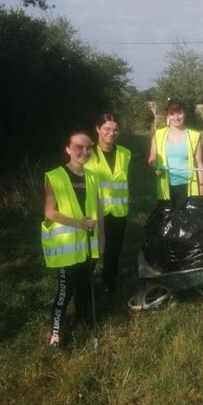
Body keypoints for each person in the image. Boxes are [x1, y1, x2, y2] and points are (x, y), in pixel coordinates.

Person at [42, 132, 104, 349]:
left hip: (88, 246)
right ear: (67, 149)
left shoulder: (93, 177)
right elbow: (50, 212)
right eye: (79, 147)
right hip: (67, 248)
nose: (84, 152)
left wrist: (102, 239)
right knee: (65, 292)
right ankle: (56, 335)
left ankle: (84, 322)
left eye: (88, 148)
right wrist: (78, 224)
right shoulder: (55, 176)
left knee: (86, 288)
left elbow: (98, 211)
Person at [85, 112, 131, 293]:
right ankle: (86, 285)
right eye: (107, 129)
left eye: (115, 130)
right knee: (93, 252)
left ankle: (109, 284)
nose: (111, 133)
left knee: (114, 251)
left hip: (119, 210)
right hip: (96, 211)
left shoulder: (125, 154)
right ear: (98, 129)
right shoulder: (87, 154)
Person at [148, 99, 203, 207]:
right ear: (168, 116)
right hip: (165, 187)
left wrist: (201, 188)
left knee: (186, 221)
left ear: (185, 113)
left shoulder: (194, 136)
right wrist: (156, 167)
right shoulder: (158, 135)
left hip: (187, 186)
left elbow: (200, 164)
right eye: (172, 114)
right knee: (167, 221)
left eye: (179, 113)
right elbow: (152, 159)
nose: (176, 117)